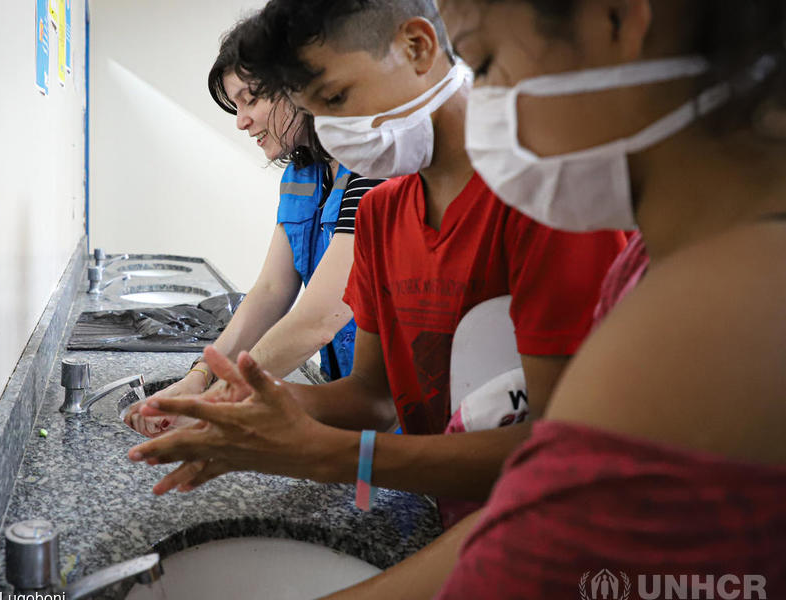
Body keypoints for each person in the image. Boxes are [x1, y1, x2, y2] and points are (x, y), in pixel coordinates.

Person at [153, 0, 786, 600]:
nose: (482, 102)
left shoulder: (725, 294)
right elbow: (524, 512)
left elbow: (538, 543)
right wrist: (281, 423)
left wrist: (328, 455)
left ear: (618, 21)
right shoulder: (651, 267)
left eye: (482, 62)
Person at [128, 0, 626, 508]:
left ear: (418, 48)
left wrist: (334, 455)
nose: (329, 131)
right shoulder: (380, 213)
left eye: (337, 97)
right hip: (443, 505)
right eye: (315, 110)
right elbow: (371, 395)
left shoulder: (546, 200)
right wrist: (253, 406)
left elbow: (565, 442)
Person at [124, 17, 383, 437]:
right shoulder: (302, 175)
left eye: (252, 99)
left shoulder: (377, 170)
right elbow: (270, 292)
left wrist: (215, 401)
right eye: (235, 104)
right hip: (347, 405)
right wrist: (202, 375)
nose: (241, 120)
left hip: (403, 421)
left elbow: (320, 317)